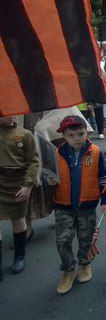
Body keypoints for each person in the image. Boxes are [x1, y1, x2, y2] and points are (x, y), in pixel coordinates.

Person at [46, 116, 106, 294]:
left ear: (86, 132)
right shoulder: (56, 154)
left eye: (81, 134)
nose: (77, 138)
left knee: (86, 239)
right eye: (72, 135)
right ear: (64, 136)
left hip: (87, 207)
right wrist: (49, 181)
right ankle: (67, 270)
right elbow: (48, 177)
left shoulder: (95, 152)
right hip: (63, 207)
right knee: (63, 240)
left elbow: (104, 179)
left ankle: (84, 264)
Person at [0, 116, 39, 279]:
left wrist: (28, 185)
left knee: (18, 218)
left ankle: (19, 256)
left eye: (12, 111)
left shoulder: (25, 134)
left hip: (17, 182)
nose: (11, 115)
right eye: (5, 113)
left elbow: (33, 162)